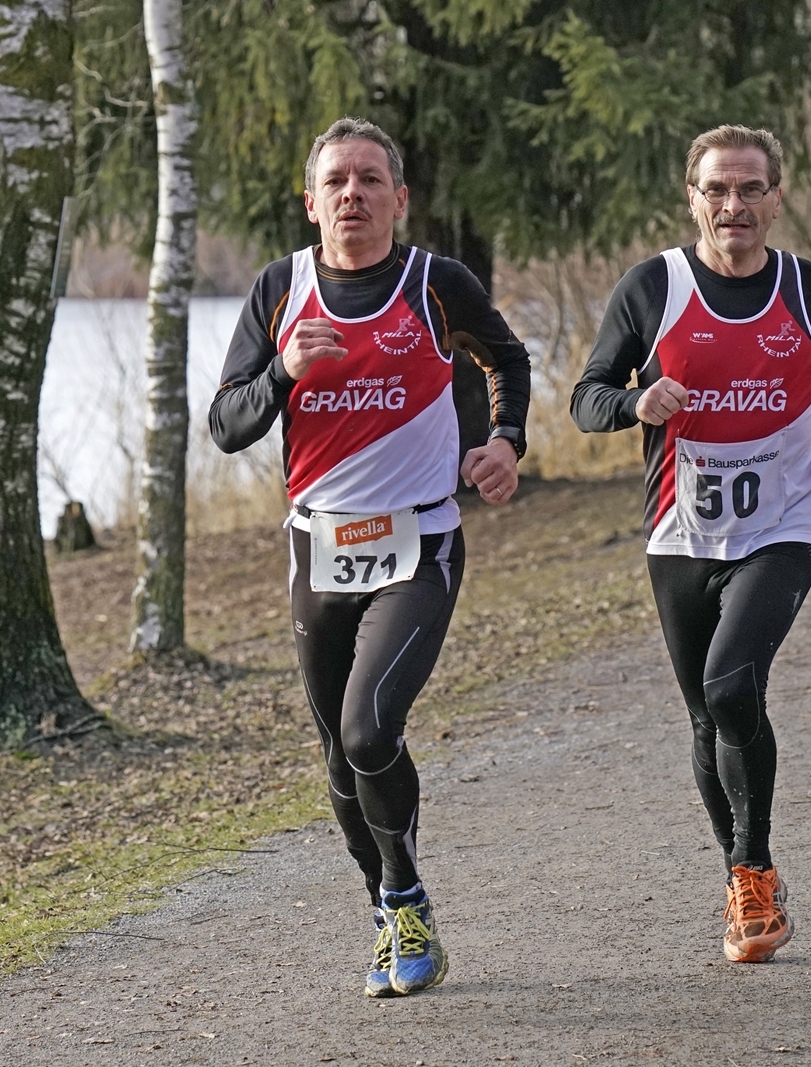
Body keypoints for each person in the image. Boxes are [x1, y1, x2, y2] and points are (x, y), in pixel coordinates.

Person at [210, 117, 530, 996]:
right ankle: (390, 902)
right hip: (317, 546)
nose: (353, 193)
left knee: (367, 729)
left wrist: (505, 439)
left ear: (399, 197)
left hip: (417, 542)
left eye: (369, 179)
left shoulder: (436, 284)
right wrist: (279, 372)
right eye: (336, 182)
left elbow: (505, 355)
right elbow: (226, 423)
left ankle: (408, 895)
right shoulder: (281, 289)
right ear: (311, 203)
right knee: (336, 759)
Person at [570, 125, 811, 963]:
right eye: (717, 190)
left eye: (749, 189)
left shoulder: (808, 289)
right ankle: (742, 877)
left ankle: (755, 868)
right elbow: (584, 398)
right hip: (680, 533)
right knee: (705, 716)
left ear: (775, 197)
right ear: (692, 197)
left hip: (783, 524)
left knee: (731, 682)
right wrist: (635, 402)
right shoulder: (653, 288)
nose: (733, 205)